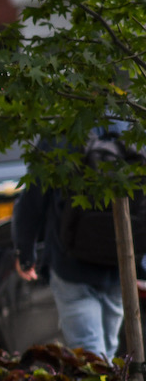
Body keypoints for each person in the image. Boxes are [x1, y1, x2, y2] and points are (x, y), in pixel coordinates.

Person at [12, 130, 123, 359]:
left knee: (88, 350)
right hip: (120, 260)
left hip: (71, 262)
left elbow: (32, 201)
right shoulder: (128, 126)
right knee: (109, 348)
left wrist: (25, 254)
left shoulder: (60, 135)